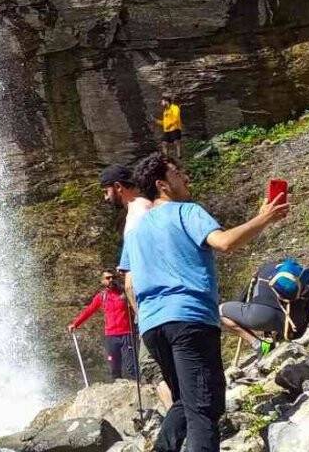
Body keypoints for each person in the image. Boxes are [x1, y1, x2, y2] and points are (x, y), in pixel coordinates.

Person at [121, 153, 287, 452]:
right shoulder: (186, 211)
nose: (186, 178)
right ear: (162, 185)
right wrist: (265, 217)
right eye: (177, 173)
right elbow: (224, 242)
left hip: (152, 326)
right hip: (189, 319)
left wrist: (145, 316)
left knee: (185, 401)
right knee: (203, 407)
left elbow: (129, 283)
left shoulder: (136, 231)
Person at [102, 164, 173, 410]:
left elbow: (133, 272)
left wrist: (141, 315)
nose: (106, 198)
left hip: (153, 307)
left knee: (151, 366)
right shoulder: (143, 208)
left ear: (118, 187)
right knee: (162, 364)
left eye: (106, 191)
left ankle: (180, 415)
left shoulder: (139, 212)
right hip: (159, 303)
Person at [221, 259, 309, 358]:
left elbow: (244, 297)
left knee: (218, 312)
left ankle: (259, 345)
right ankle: (279, 343)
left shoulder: (265, 268)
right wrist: (299, 331)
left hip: (260, 317)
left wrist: (240, 314)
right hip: (291, 327)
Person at [68, 269, 136, 380]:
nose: (111, 280)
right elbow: (89, 310)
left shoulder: (124, 293)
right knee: (114, 368)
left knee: (131, 366)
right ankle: (118, 387)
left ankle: (141, 386)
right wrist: (75, 324)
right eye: (108, 278)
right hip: (111, 335)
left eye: (113, 277)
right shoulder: (101, 296)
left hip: (127, 333)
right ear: (102, 281)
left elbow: (135, 306)